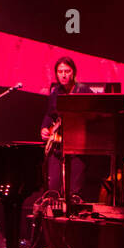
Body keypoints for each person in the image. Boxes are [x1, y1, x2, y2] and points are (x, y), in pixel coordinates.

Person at [39, 56, 97, 201]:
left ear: (74, 72)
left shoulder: (83, 91)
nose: (63, 75)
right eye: (60, 71)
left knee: (74, 190)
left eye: (67, 71)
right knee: (53, 188)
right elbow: (49, 114)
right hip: (59, 143)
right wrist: (44, 128)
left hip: (78, 145)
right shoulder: (55, 93)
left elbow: (93, 117)